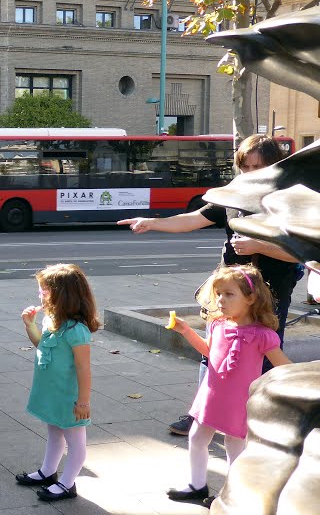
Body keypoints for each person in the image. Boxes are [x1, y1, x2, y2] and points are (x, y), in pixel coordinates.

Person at [117, 134, 298, 436]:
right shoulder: (233, 195)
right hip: (228, 288)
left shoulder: (288, 201)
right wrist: (152, 222)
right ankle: (203, 413)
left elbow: (300, 250)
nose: (249, 174)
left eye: (257, 167)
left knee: (265, 351)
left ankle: (265, 416)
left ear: (274, 167)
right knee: (213, 349)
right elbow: (193, 219)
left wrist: (261, 246)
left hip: (270, 291)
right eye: (245, 167)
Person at [164, 265, 292, 506]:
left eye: (229, 294)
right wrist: (185, 330)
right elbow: (208, 350)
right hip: (211, 396)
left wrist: (302, 379)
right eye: (219, 293)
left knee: (235, 447)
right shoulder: (218, 325)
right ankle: (197, 485)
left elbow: (283, 366)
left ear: (251, 298)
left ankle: (234, 493)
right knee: (196, 437)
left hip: (239, 402)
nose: (221, 300)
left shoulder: (262, 335)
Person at [15, 264, 98, 503]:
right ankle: (47, 471)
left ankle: (67, 483)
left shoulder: (77, 331)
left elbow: (84, 368)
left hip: (68, 395)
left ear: (63, 295)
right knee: (54, 430)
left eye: (44, 290)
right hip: (52, 391)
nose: (40, 295)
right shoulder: (53, 321)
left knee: (75, 441)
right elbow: (41, 345)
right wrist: (29, 324)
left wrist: (83, 402)